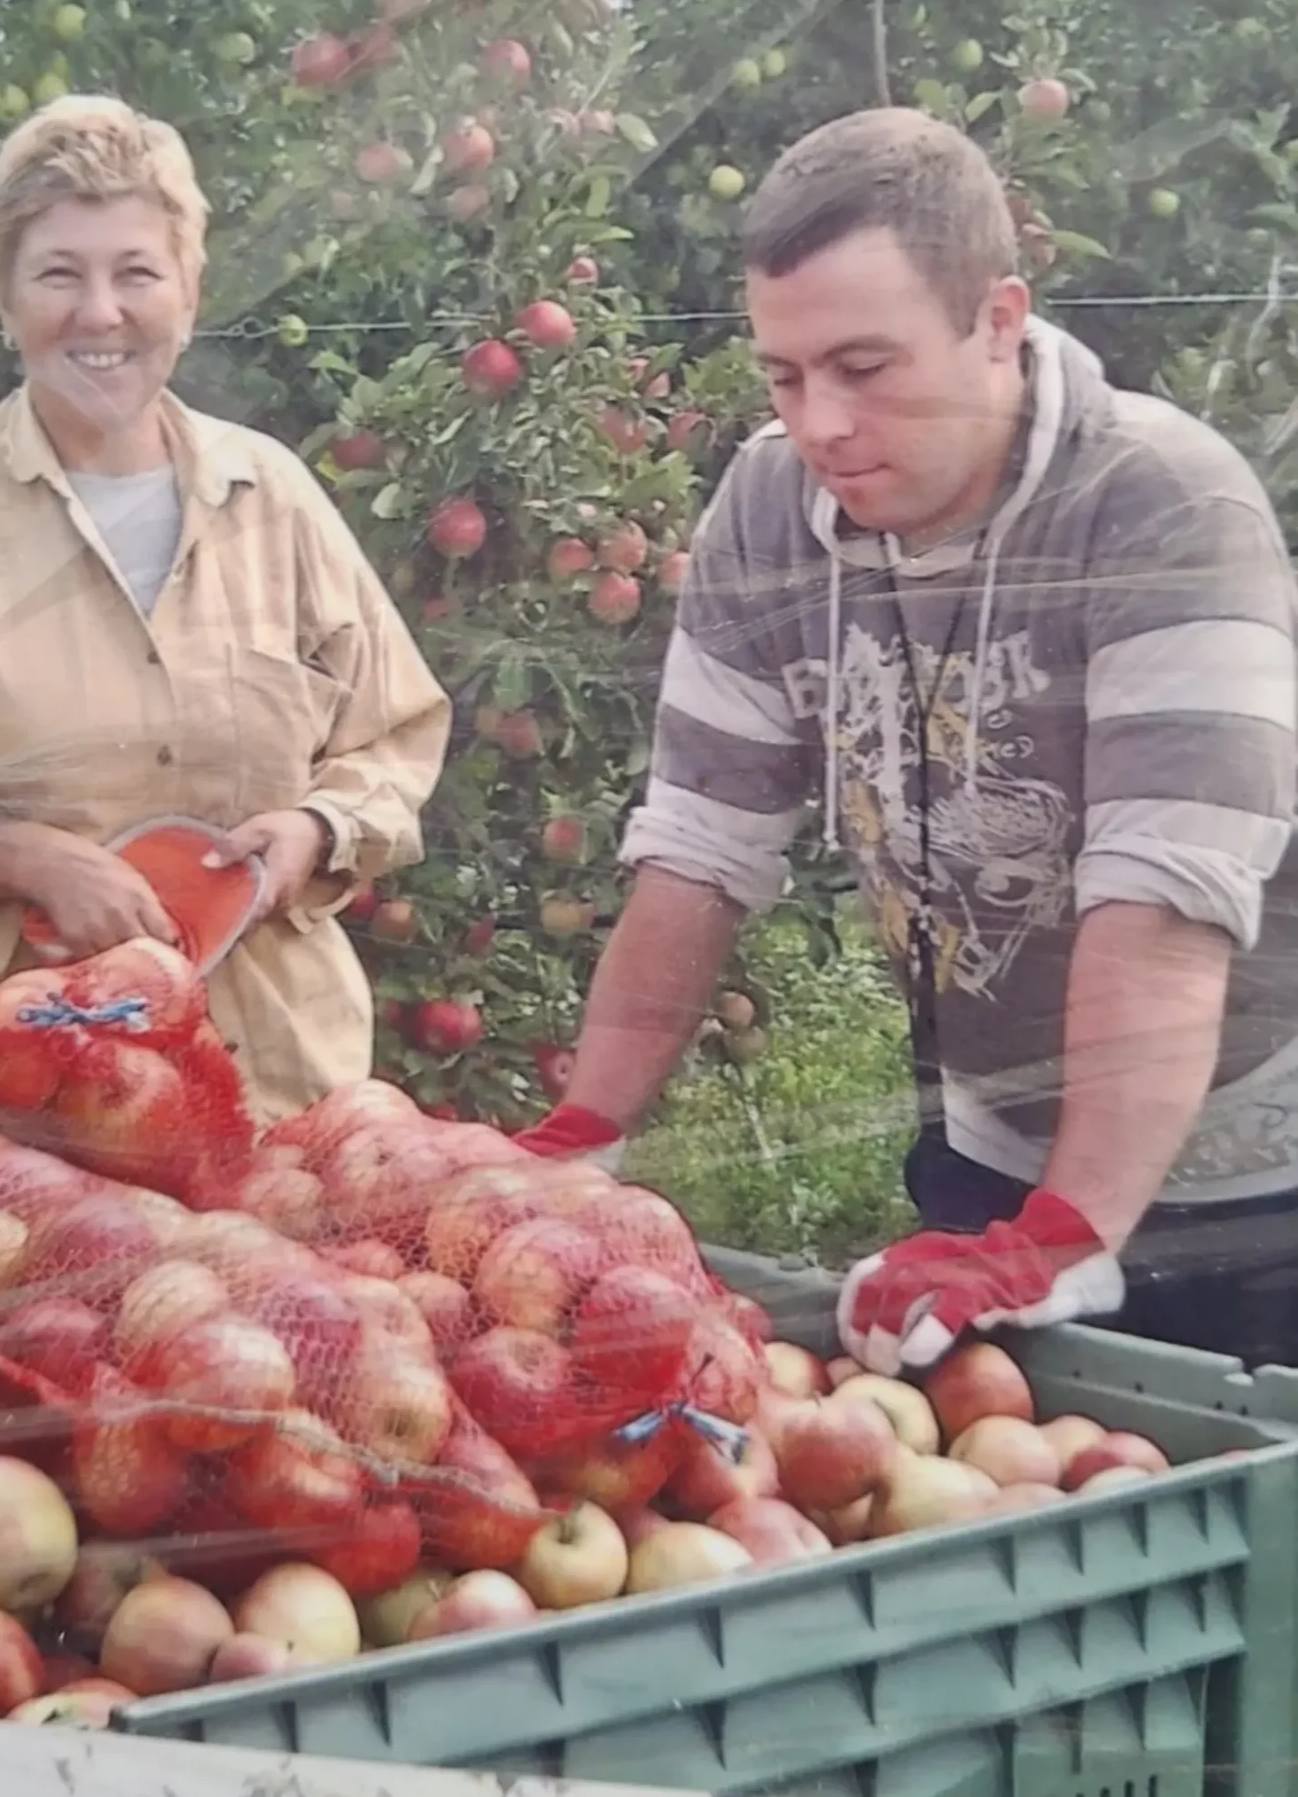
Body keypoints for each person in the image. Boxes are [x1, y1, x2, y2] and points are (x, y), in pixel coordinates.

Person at [517, 107, 1298, 1372]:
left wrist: (1072, 1224)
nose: (818, 421)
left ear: (997, 319)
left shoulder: (1163, 504)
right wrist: (586, 1124)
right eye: (782, 374)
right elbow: (699, 849)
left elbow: (1165, 904)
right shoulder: (773, 504)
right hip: (991, 1166)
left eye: (865, 367)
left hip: (1251, 1199)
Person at [0, 94, 451, 1122]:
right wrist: (21, 857)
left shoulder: (271, 496)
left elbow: (395, 738)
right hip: (21, 1112)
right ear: (3, 296)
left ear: (188, 291)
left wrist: (315, 829)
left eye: (137, 272)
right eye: (58, 274)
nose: (100, 312)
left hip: (280, 1093)